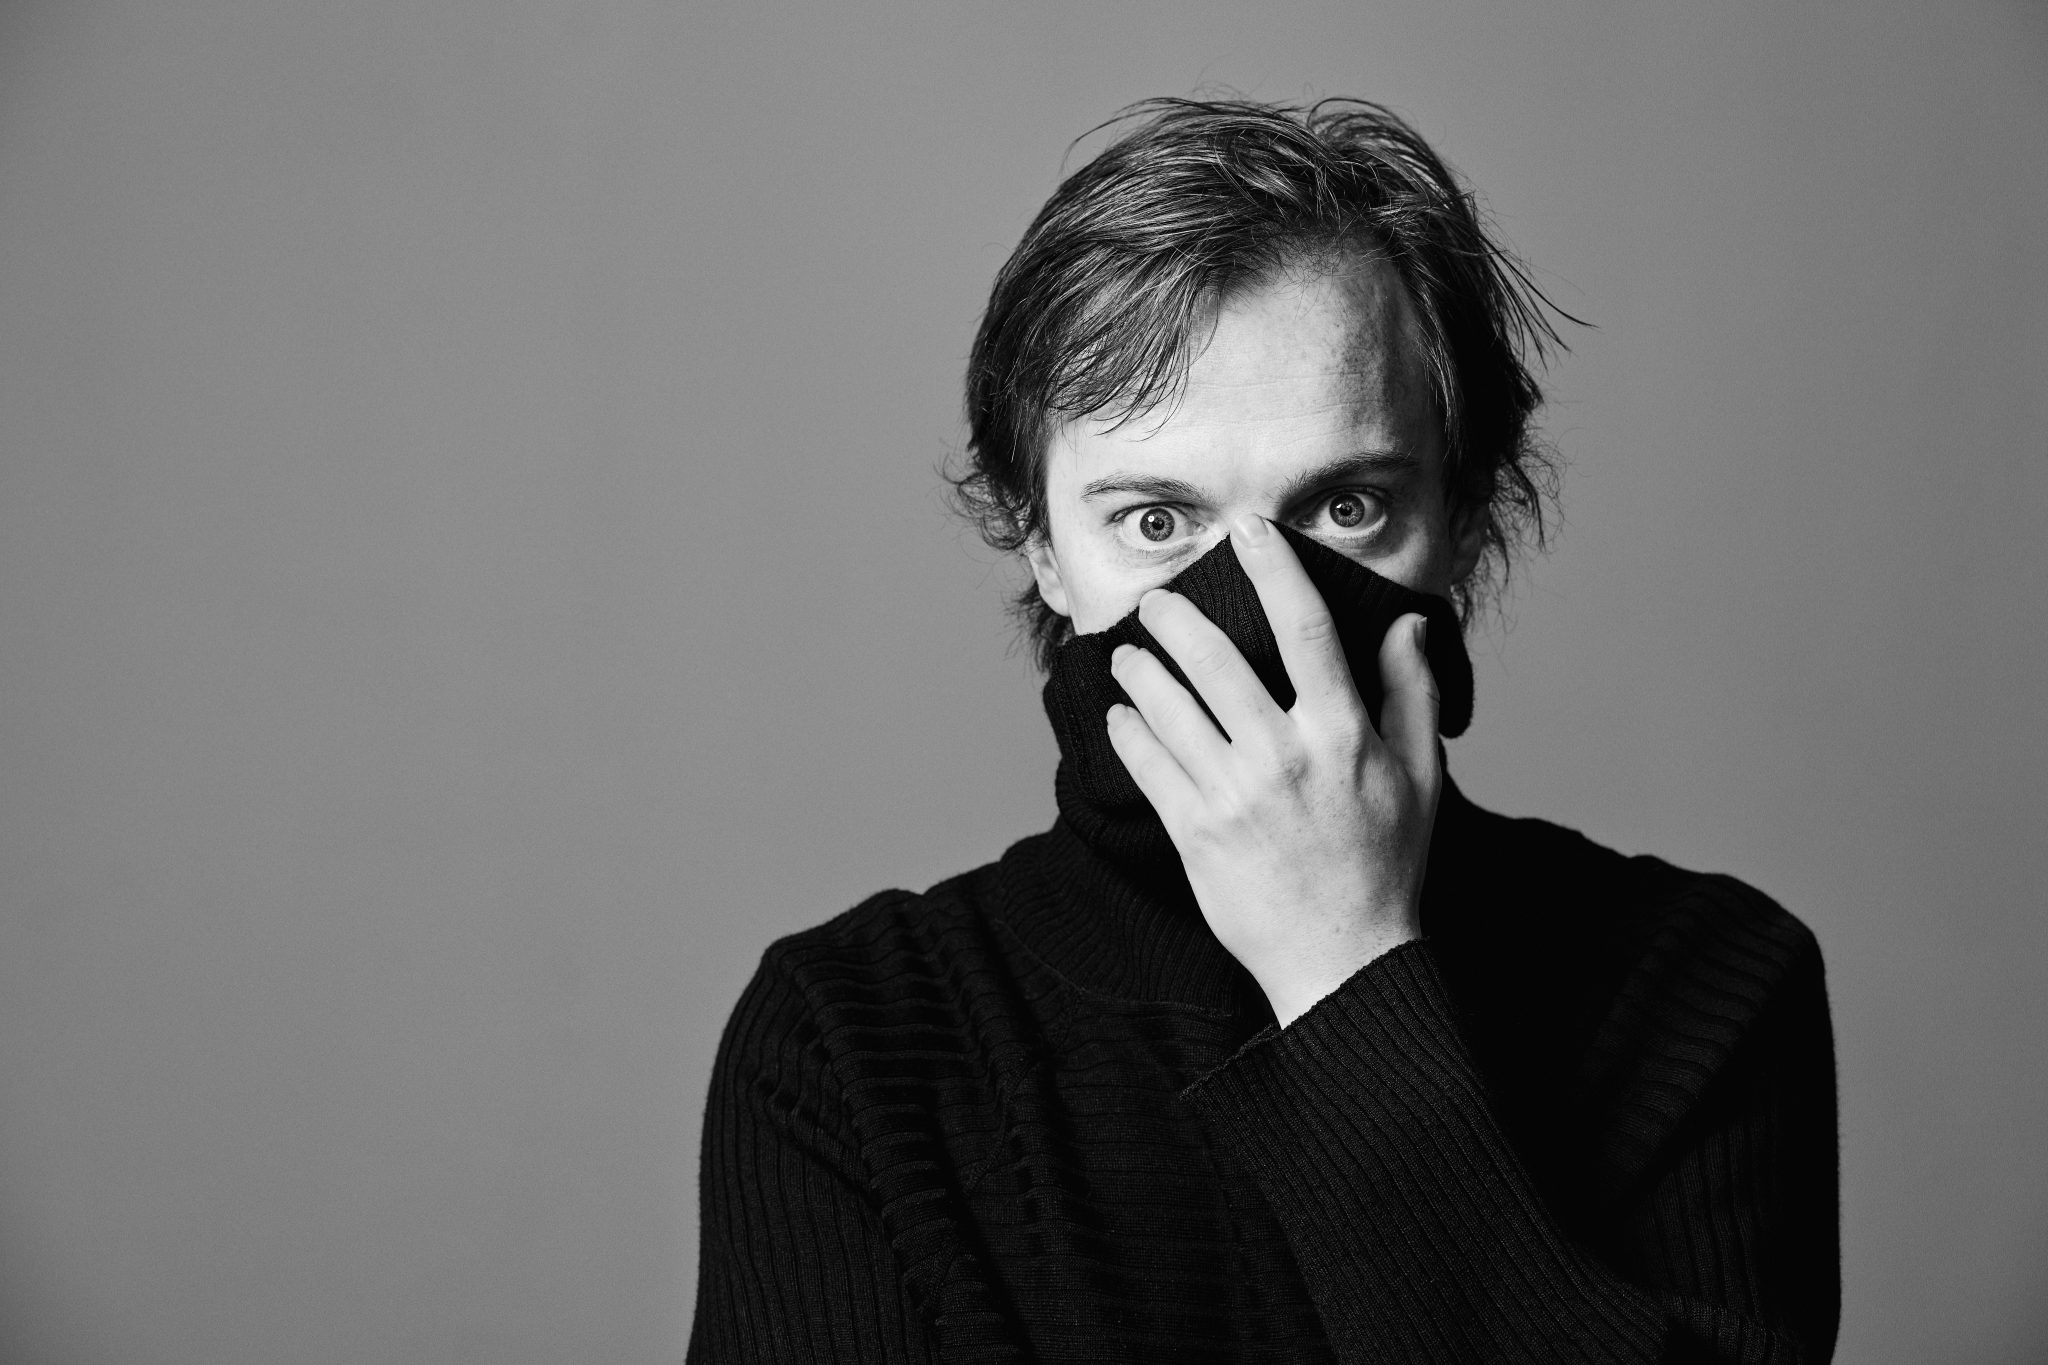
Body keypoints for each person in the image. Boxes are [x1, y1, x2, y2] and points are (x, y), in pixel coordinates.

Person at [686, 98, 1839, 1363]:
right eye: (1155, 522)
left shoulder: (1705, 991)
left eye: (1344, 507)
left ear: (1462, 516)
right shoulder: (848, 1042)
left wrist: (1343, 973)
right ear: (1042, 548)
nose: (1258, 596)